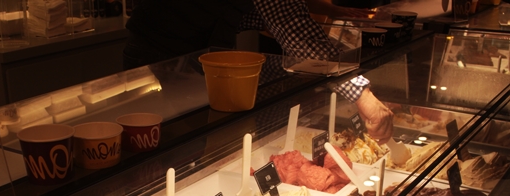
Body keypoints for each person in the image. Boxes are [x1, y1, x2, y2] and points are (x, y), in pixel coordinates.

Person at [123, 0, 393, 141]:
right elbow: (293, 26)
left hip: (197, 49)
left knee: (205, 137)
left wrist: (322, 13)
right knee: (175, 145)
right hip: (160, 53)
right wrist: (362, 95)